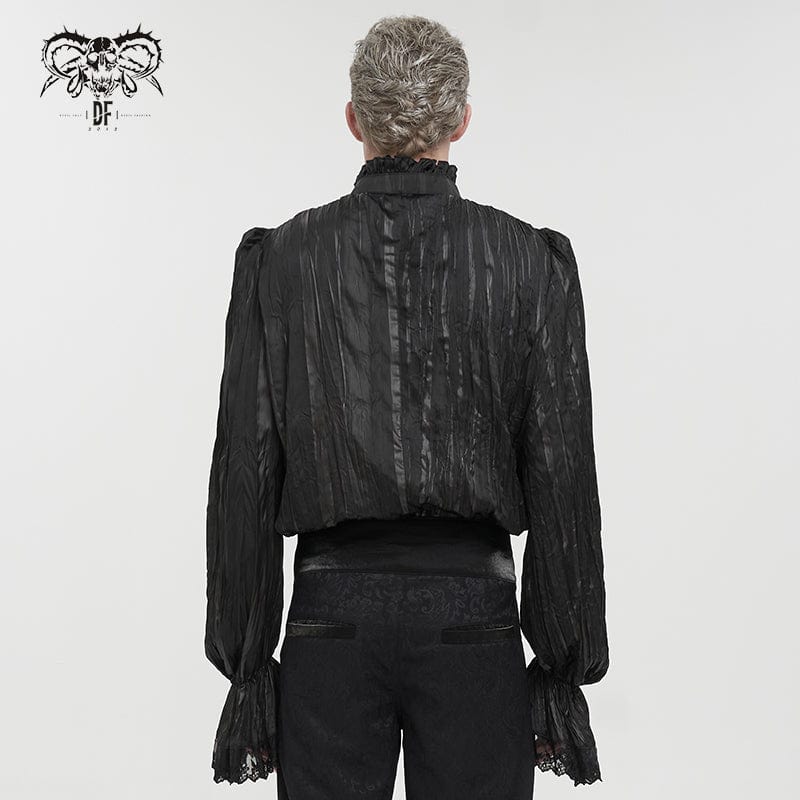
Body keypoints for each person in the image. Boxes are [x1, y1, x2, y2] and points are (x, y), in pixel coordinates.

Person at [204, 14, 610, 799]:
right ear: (462, 120)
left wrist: (247, 661)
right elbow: (561, 472)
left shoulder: (283, 260)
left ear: (353, 120)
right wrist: (564, 657)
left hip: (331, 619)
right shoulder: (527, 263)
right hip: (473, 620)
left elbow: (245, 470)